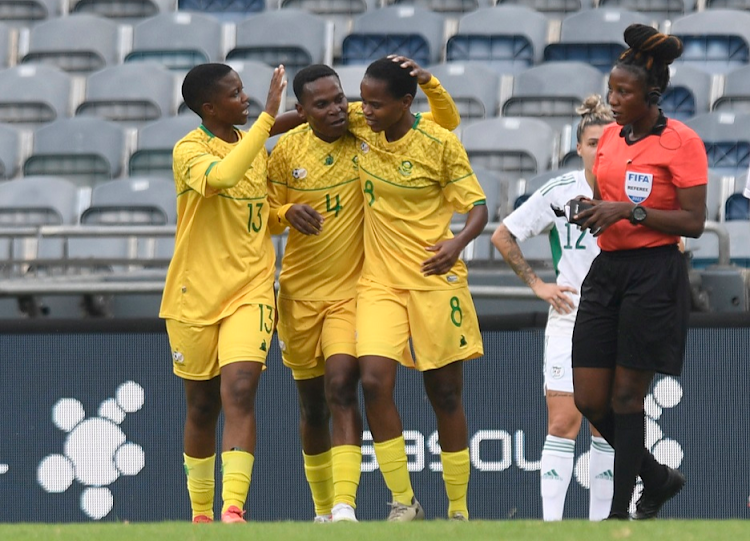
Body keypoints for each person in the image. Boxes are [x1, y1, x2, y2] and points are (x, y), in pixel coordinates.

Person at [266, 59, 461, 523]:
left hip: (354, 290)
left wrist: (428, 83)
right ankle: (321, 511)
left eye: (340, 98)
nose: (338, 109)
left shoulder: (365, 127)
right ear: (303, 109)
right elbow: (265, 210)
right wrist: (286, 213)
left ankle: (345, 507)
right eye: (323, 104)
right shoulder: (286, 152)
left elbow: (446, 124)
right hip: (298, 291)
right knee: (312, 406)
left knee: (342, 386)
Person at [571, 24, 708, 520]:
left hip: (655, 273)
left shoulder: (682, 142)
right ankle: (657, 476)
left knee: (628, 397)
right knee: (589, 398)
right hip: (608, 270)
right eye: (611, 89)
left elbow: (693, 222)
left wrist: (629, 212)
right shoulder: (607, 136)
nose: (612, 100)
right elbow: (611, 201)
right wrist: (590, 207)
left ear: (650, 94)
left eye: (623, 92)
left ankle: (618, 513)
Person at [346, 57, 487, 521]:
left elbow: (478, 208)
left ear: (406, 103)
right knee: (372, 381)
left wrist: (458, 243)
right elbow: (313, 111)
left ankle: (459, 511)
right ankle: (404, 503)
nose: (364, 110)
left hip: (433, 279)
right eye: (363, 99)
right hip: (379, 282)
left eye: (376, 103)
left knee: (444, 394)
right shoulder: (361, 126)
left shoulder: (440, 143)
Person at [159, 62, 289, 524]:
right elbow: (224, 178)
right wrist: (271, 118)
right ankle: (201, 515)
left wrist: (287, 213)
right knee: (201, 405)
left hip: (252, 290)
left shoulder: (252, 143)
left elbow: (262, 214)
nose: (246, 99)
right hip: (194, 296)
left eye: (245, 90)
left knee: (239, 388)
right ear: (209, 107)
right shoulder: (189, 151)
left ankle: (233, 509)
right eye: (235, 94)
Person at [491, 95, 615, 521]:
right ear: (578, 147)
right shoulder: (561, 191)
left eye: (608, 141)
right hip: (570, 316)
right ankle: (551, 526)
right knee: (563, 422)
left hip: (619, 318)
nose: (600, 149)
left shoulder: (632, 189)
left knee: (607, 426)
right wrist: (538, 285)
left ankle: (601, 525)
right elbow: (504, 235)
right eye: (592, 142)